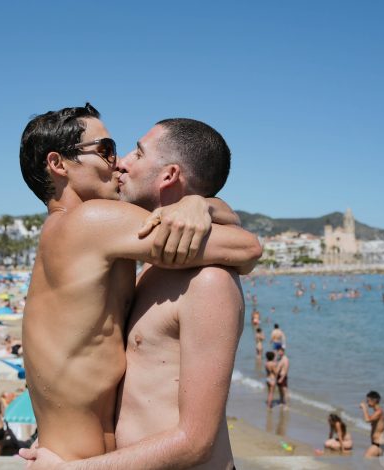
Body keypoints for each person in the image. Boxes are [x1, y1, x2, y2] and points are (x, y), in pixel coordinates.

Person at [19, 105, 261, 465]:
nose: (118, 163)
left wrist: (202, 205)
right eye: (106, 149)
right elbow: (249, 247)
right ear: (58, 164)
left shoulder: (122, 254)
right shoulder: (91, 220)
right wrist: (203, 205)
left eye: (127, 152)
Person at [360, 390, 384, 458]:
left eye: (368, 401)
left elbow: (367, 419)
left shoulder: (379, 412)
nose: (367, 403)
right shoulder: (377, 412)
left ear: (374, 401)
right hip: (376, 443)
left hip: (378, 444)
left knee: (366, 459)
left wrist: (364, 408)